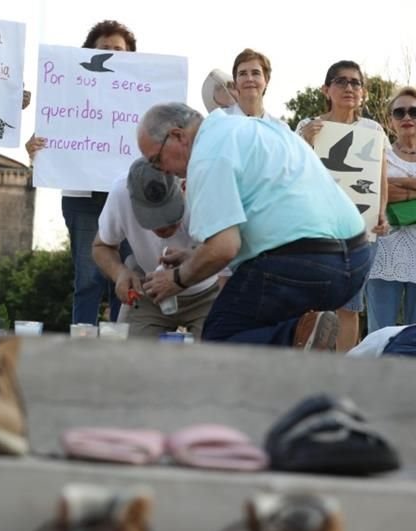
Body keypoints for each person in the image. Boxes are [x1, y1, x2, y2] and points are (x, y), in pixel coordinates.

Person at [139, 103, 372, 350]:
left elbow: (223, 248)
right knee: (267, 332)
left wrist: (176, 279)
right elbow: (264, 217)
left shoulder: (206, 155)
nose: (163, 171)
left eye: (156, 161)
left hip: (302, 263)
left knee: (220, 341)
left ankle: (298, 334)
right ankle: (303, 339)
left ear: (177, 136)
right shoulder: (258, 127)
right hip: (356, 260)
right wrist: (195, 256)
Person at [26, 20, 137, 326]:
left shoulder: (143, 98)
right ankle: (82, 347)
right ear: (90, 54)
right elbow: (55, 135)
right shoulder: (67, 91)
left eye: (119, 50)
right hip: (82, 198)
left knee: (126, 279)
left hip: (129, 200)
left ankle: (120, 350)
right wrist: (37, 149)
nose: (112, 54)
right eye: (105, 49)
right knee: (88, 278)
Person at [295, 60, 390, 349]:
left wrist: (382, 213)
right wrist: (306, 141)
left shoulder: (373, 129)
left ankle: (344, 372)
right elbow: (294, 175)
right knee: (307, 303)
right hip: (316, 230)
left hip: (360, 233)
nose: (349, 87)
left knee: (350, 306)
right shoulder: (307, 126)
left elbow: (380, 179)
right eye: (341, 81)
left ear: (364, 92)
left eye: (355, 82)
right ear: (326, 89)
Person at [92, 158, 220, 340]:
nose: (163, 228)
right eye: (151, 219)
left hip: (207, 292)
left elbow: (225, 257)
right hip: (151, 295)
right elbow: (102, 246)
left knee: (216, 359)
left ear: (182, 186)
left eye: (170, 216)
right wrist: (119, 272)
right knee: (129, 360)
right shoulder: (120, 193)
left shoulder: (205, 191)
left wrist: (193, 260)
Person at [365, 87, 416, 332]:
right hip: (384, 255)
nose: (407, 117)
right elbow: (373, 191)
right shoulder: (377, 155)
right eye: (400, 112)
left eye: (414, 111)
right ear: (389, 120)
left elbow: (385, 190)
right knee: (379, 335)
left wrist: (394, 185)